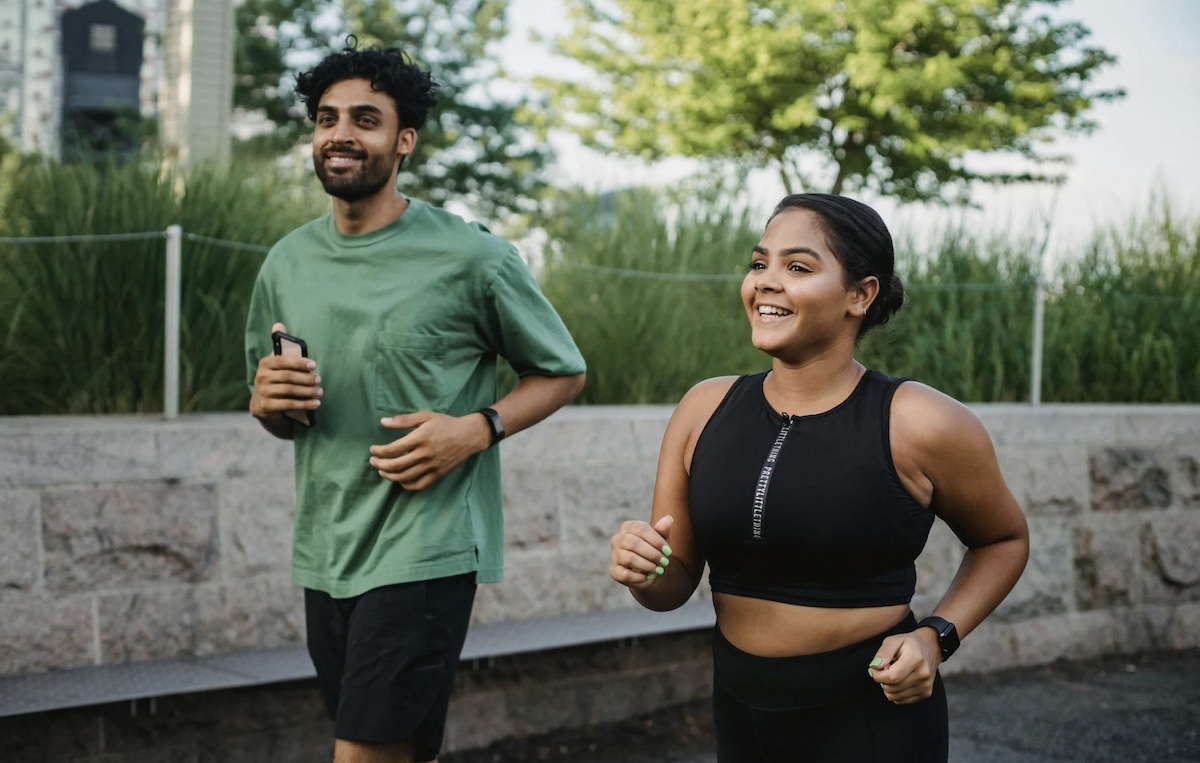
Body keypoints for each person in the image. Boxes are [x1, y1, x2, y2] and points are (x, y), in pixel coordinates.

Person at [245, 42, 586, 763]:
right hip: (325, 548)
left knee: (362, 752)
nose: (340, 133)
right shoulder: (286, 263)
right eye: (326, 118)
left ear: (404, 142)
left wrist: (477, 427)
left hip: (424, 551)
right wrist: (268, 402)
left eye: (365, 119)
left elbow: (562, 371)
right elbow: (281, 414)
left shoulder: (472, 256)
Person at [609, 193, 1029, 762]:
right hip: (740, 713)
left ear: (861, 294)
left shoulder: (920, 421)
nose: (766, 282)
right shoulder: (702, 409)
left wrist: (936, 637)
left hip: (869, 718)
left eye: (798, 267)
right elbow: (672, 588)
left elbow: (1003, 540)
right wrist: (642, 567)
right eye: (760, 264)